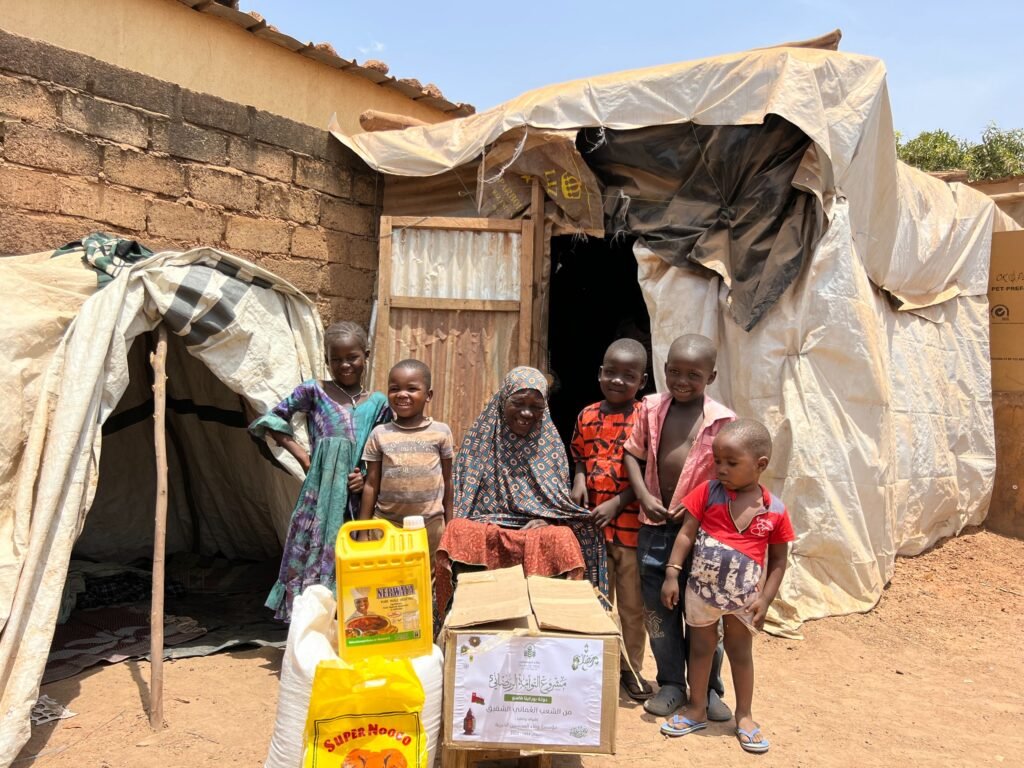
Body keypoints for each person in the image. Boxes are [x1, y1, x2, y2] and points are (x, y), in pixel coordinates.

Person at [659, 419, 794, 754]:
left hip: (744, 599)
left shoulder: (775, 510)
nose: (721, 468)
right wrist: (672, 573)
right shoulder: (707, 493)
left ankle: (744, 715)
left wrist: (766, 599)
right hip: (701, 593)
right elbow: (686, 534)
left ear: (760, 465)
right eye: (717, 460)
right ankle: (697, 709)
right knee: (700, 649)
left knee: (740, 653)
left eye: (732, 463)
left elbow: (779, 560)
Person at [623, 334, 735, 719]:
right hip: (654, 527)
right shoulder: (651, 408)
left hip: (702, 535)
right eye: (674, 371)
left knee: (704, 614)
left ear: (711, 376)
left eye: (693, 375)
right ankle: (670, 683)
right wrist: (643, 495)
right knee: (659, 613)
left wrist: (695, 508)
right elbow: (632, 455)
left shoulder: (723, 422)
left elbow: (730, 479)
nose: (681, 381)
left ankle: (708, 689)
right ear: (664, 368)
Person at [435, 366, 606, 616]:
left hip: (533, 532)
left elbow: (558, 506)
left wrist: (548, 520)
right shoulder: (480, 441)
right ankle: (461, 612)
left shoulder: (550, 447)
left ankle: (560, 616)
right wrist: (485, 525)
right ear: (503, 400)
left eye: (536, 407)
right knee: (457, 531)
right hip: (487, 529)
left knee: (563, 538)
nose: (527, 413)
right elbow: (463, 503)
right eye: (518, 403)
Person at [249, 321, 388, 621]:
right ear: (326, 360)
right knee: (313, 548)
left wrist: (365, 476)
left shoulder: (378, 403)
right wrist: (303, 457)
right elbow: (272, 420)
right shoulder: (314, 390)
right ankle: (311, 622)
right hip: (320, 492)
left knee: (352, 552)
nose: (345, 365)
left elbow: (382, 447)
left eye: (352, 357)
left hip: (356, 497)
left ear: (366, 356)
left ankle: (349, 623)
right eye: (336, 359)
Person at [570, 338, 652, 701]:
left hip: (631, 532)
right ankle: (596, 669)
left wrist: (618, 503)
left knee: (632, 608)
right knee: (596, 602)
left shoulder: (646, 418)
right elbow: (579, 456)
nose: (618, 380)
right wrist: (578, 480)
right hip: (594, 532)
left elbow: (650, 475)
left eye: (628, 376)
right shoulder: (586, 415)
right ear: (600, 373)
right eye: (611, 372)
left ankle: (631, 669)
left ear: (642, 381)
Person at [359, 360, 454, 565]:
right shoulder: (380, 434)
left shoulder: (441, 432)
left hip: (430, 526)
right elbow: (371, 484)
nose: (402, 394)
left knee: (427, 579)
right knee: (388, 577)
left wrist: (450, 526)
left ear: (428, 395)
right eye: (395, 389)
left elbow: (447, 481)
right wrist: (363, 531)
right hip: (386, 524)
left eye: (412, 389)